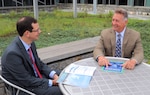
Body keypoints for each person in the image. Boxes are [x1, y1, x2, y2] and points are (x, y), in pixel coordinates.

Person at [1, 16, 63, 95]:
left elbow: (39, 64)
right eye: (37, 30)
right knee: (61, 90)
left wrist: (53, 75)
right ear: (27, 33)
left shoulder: (29, 43)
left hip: (36, 78)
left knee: (65, 75)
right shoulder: (12, 54)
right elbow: (26, 80)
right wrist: (52, 82)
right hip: (26, 88)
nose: (40, 31)